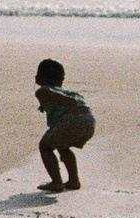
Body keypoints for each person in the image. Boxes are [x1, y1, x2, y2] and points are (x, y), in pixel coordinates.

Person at [33, 58, 95, 192]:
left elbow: (47, 92)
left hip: (71, 119)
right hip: (89, 120)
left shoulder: (43, 90)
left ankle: (56, 182)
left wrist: (66, 100)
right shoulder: (70, 92)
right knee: (63, 147)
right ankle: (74, 180)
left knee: (45, 146)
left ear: (38, 78)